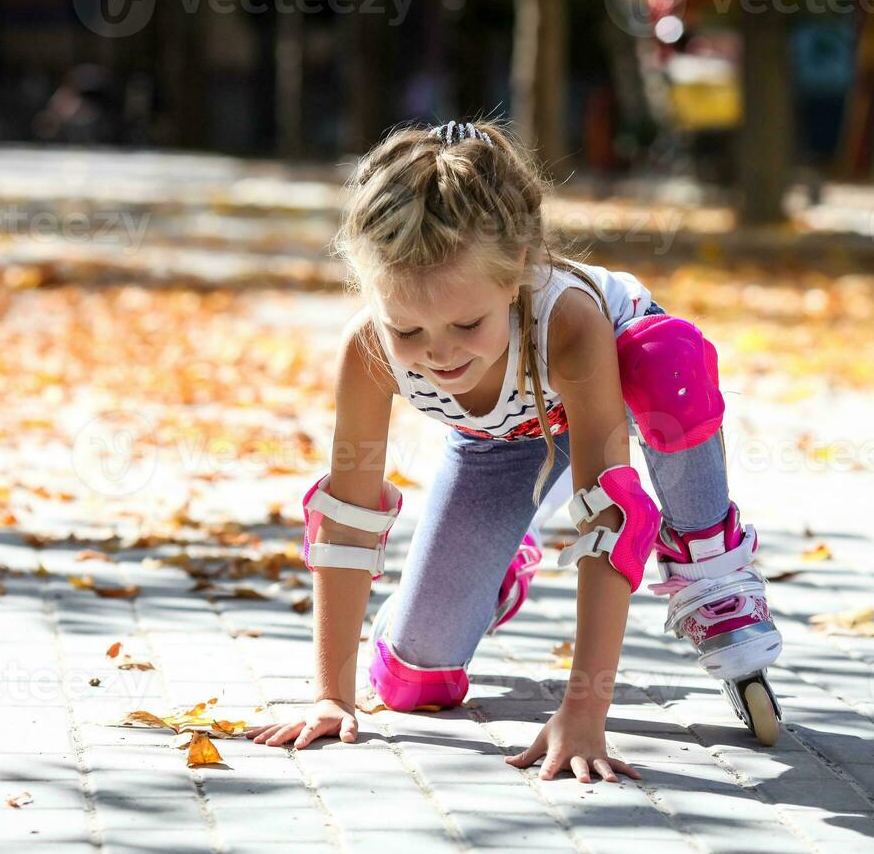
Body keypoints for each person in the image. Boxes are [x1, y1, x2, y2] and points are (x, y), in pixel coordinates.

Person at [245, 120, 783, 781]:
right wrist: (332, 692)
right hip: (498, 443)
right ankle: (499, 569)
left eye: (467, 324)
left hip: (616, 383)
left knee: (666, 362)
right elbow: (348, 516)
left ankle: (712, 572)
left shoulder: (570, 322)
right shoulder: (367, 352)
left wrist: (584, 713)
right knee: (414, 683)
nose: (439, 353)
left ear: (518, 274)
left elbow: (609, 514)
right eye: (408, 328)